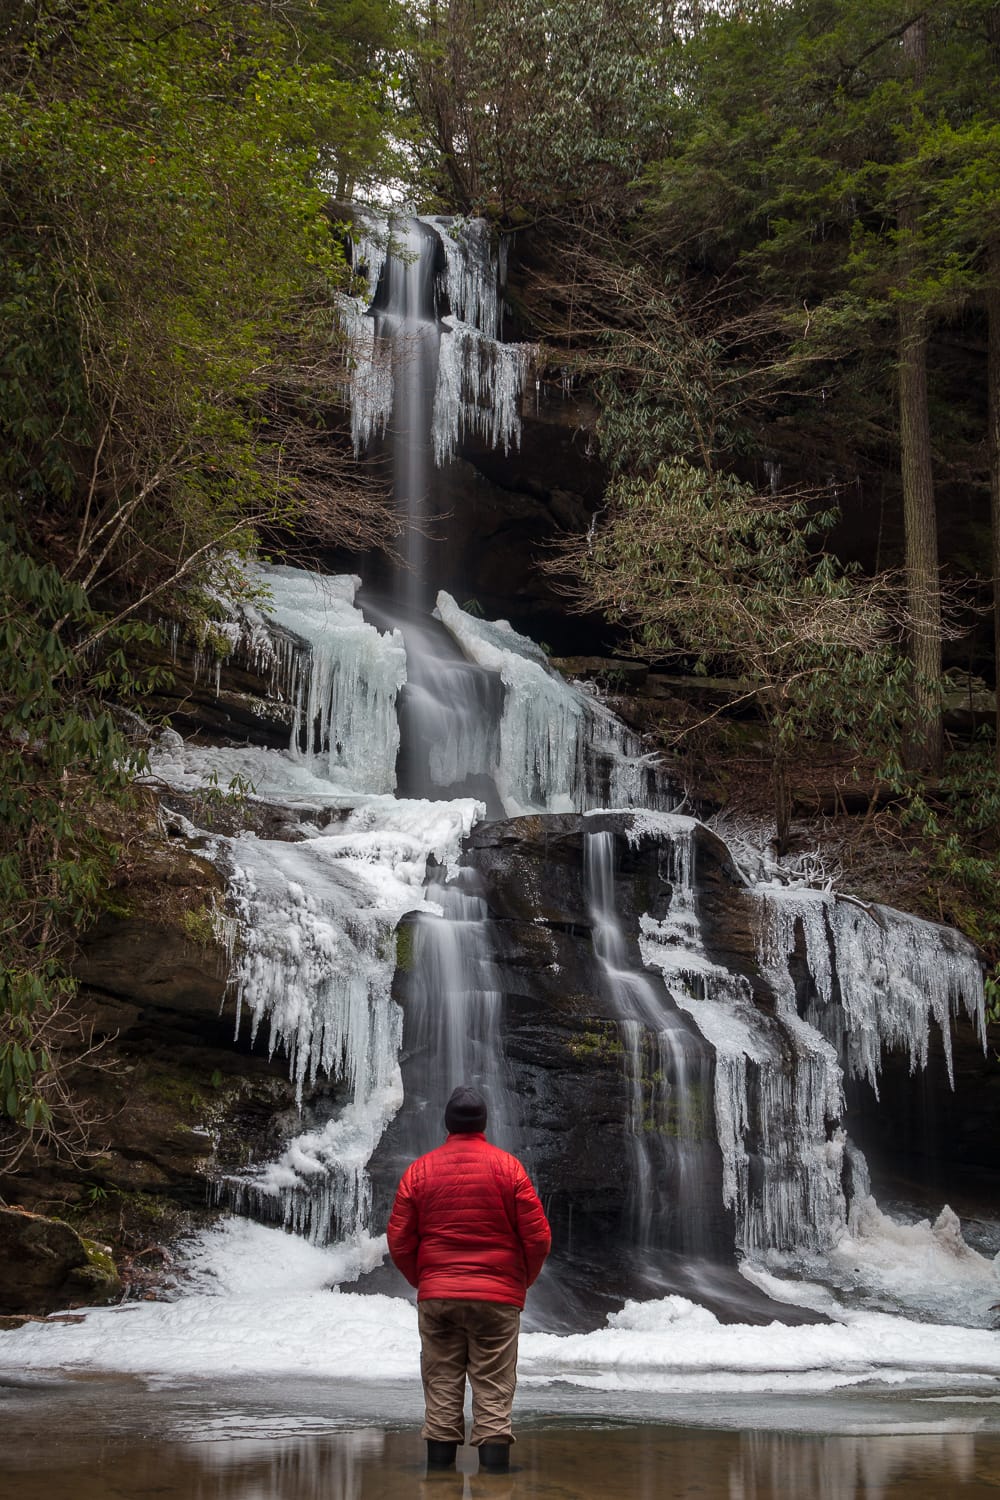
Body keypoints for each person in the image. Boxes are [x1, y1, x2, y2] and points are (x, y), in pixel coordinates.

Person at [387, 1085, 551, 1474]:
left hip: (438, 1296)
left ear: (446, 1124)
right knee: (494, 1387)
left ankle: (439, 1479)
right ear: (484, 1124)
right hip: (497, 1297)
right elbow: (539, 1237)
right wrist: (519, 1281)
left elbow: (398, 1238)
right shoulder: (509, 1169)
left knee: (442, 1382)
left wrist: (425, 1279)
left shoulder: (419, 1171)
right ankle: (495, 1483)